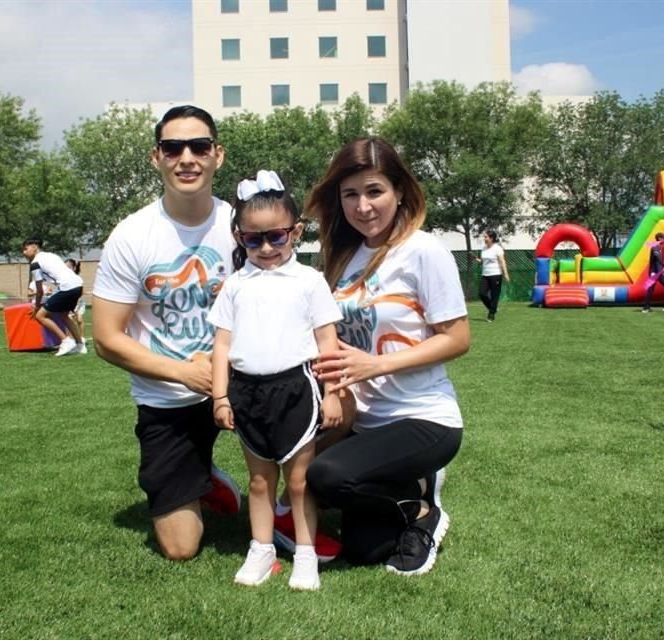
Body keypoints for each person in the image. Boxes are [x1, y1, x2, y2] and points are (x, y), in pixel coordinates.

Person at [303, 137, 470, 576]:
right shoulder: (344, 256)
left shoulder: (423, 250)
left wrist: (376, 365)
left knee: (326, 476)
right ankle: (403, 490)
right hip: (365, 421)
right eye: (350, 194)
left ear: (399, 191)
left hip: (423, 417)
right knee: (365, 549)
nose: (363, 207)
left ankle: (423, 509)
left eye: (374, 191)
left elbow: (457, 338)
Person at [90, 105, 242, 561]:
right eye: (173, 147)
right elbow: (106, 338)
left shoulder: (240, 226)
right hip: (167, 399)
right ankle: (203, 475)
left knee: (316, 419)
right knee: (180, 548)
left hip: (240, 381)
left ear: (218, 155)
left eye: (199, 146)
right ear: (157, 158)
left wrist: (220, 369)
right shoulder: (132, 236)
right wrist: (183, 374)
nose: (187, 157)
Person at [209, 171, 344, 590]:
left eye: (277, 237)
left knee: (300, 481)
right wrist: (220, 396)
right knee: (260, 480)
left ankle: (305, 554)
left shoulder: (309, 281)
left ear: (296, 232)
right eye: (253, 239)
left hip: (296, 390)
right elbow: (221, 346)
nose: (266, 248)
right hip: (246, 392)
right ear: (239, 238)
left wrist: (334, 394)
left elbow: (328, 342)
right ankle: (262, 549)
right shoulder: (234, 285)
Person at [21, 238, 86, 356]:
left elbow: (39, 290)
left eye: (26, 249)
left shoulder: (35, 263)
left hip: (67, 287)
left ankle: (66, 341)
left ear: (35, 247)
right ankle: (80, 345)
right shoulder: (51, 255)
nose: (24, 253)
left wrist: (36, 308)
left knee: (40, 316)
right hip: (78, 285)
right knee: (64, 315)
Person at [475, 230, 510, 322]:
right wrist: (477, 260)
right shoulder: (483, 249)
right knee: (482, 293)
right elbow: (483, 261)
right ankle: (493, 308)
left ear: (491, 238)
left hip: (496, 275)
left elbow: (502, 261)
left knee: (495, 296)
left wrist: (506, 274)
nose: (484, 239)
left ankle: (491, 315)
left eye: (486, 237)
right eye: (484, 237)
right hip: (485, 274)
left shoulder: (497, 248)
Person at [642, 232, 664, 313]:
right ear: (659, 238)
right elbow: (658, 260)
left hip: (658, 272)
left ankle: (646, 308)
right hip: (655, 272)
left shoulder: (661, 247)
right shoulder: (654, 247)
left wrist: (663, 271)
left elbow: (660, 261)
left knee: (662, 287)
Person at [65, 258, 87, 342]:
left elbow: (81, 292)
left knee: (79, 320)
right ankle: (70, 338)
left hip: (79, 302)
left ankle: (82, 338)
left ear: (74, 267)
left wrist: (76, 303)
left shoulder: (77, 278)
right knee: (69, 320)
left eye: (69, 266)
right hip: (69, 302)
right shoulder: (65, 278)